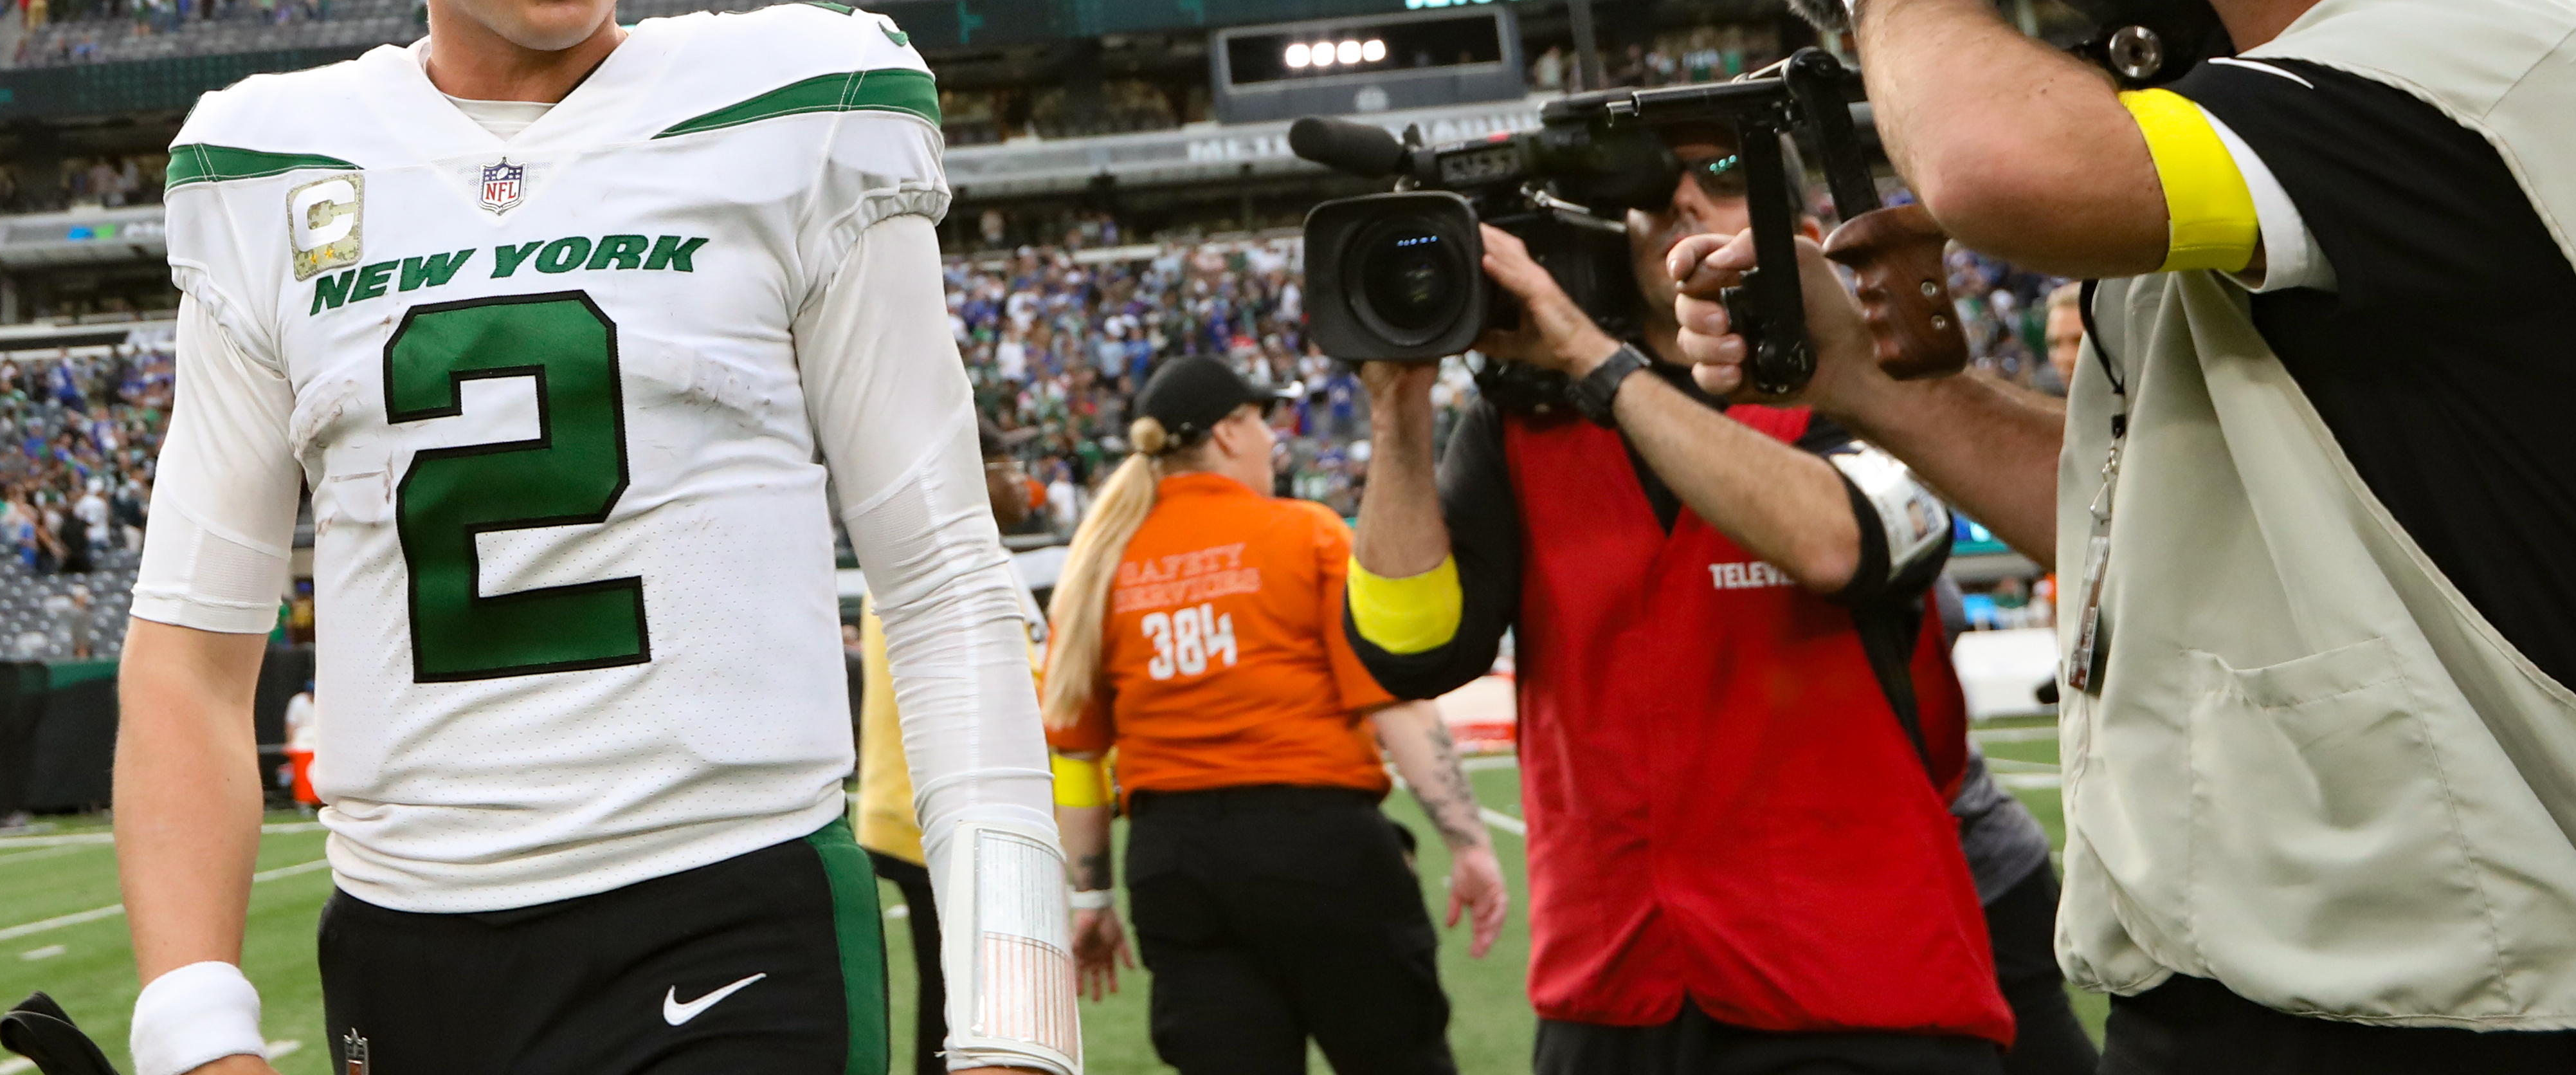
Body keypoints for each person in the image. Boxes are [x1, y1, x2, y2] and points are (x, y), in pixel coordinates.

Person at [118, 0, 1075, 1075]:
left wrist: (1016, 1009)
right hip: (410, 938)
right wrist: (196, 1031)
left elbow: (941, 578)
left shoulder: (796, 104)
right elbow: (192, 650)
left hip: (726, 905)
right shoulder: (269, 164)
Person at [1758, 0, 2576, 1066]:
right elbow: (2142, 533)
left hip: (2472, 1006)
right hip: (2274, 992)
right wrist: (1883, 385)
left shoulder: (2488, 52)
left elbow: (1993, 163)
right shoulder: (2284, 125)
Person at [1344, 128, 2014, 1072]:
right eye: (1655, 189)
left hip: (1854, 987)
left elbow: (1839, 545)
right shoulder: (1521, 424)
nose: (1685, 205)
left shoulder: (1873, 389)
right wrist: (1398, 410)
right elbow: (1409, 650)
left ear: (1804, 235)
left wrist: (1591, 357)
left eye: (1727, 179)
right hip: (1616, 988)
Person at [1042, 355, 1505, 1075]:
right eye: (1262, 421)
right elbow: (1396, 705)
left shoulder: (1097, 565)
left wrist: (1094, 894)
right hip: (1320, 847)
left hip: (1174, 863)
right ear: (1229, 432)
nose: (1273, 439)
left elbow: (1077, 761)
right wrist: (1470, 843)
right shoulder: (1306, 532)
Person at [860, 445, 1055, 1075]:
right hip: (950, 817)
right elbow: (1029, 688)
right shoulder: (958, 559)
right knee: (977, 1014)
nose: (1028, 484)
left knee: (954, 1007)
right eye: (1009, 464)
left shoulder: (917, 552)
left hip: (912, 806)